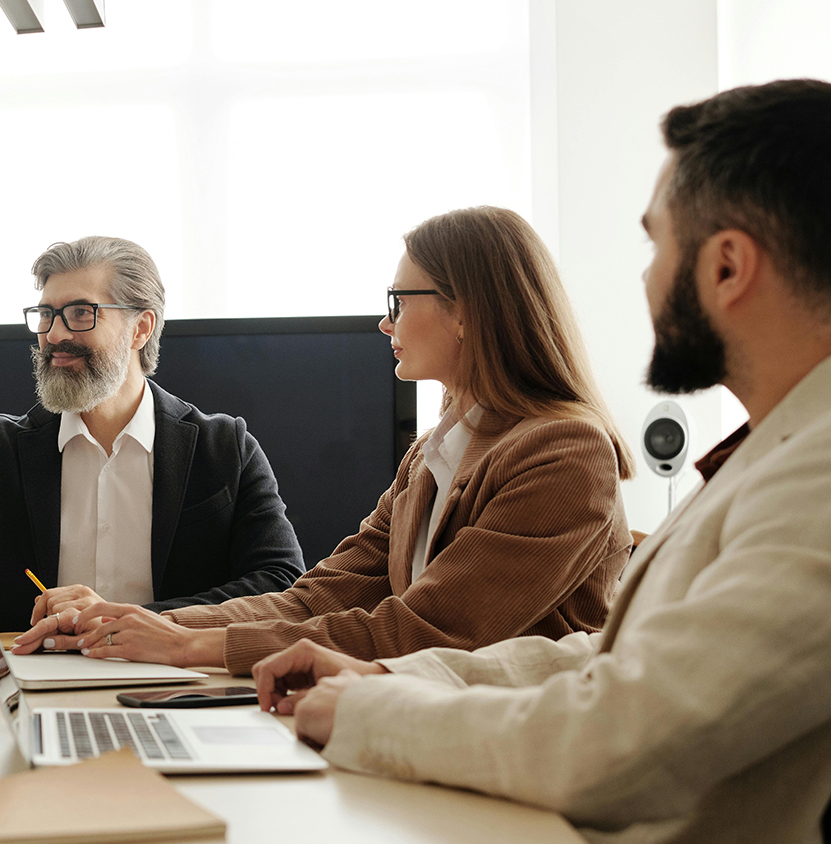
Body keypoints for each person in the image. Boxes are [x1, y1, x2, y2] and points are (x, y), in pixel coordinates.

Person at [252, 79, 831, 844]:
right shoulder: (777, 449)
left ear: (727, 267)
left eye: (656, 245)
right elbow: (604, 659)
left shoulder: (816, 478)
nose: (647, 277)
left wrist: (372, 711)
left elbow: (625, 735)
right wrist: (394, 679)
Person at [16, 207, 634, 673]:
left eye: (399, 299)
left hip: (507, 758)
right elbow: (316, 597)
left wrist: (194, 644)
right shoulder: (431, 455)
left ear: (467, 310)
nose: (385, 321)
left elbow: (428, 631)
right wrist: (143, 625)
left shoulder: (565, 453)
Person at [0, 236, 305, 631]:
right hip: (36, 685)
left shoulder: (225, 449)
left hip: (177, 683)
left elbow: (280, 583)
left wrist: (132, 619)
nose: (55, 334)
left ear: (140, 328)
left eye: (80, 313)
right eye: (45, 315)